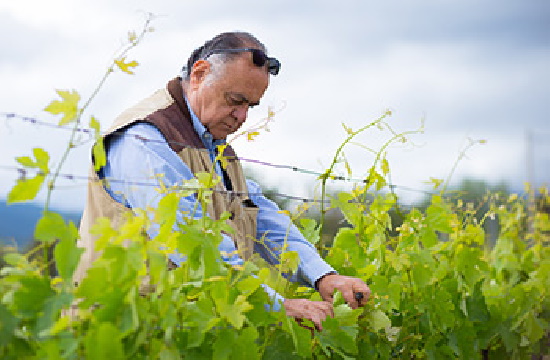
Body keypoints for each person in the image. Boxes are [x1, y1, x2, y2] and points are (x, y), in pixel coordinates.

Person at [75, 31, 371, 330]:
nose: (242, 117)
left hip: (174, 331)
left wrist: (323, 276)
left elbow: (260, 215)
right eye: (235, 100)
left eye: (250, 106)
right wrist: (276, 305)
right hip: (121, 330)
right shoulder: (145, 138)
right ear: (200, 74)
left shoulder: (213, 146)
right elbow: (192, 242)